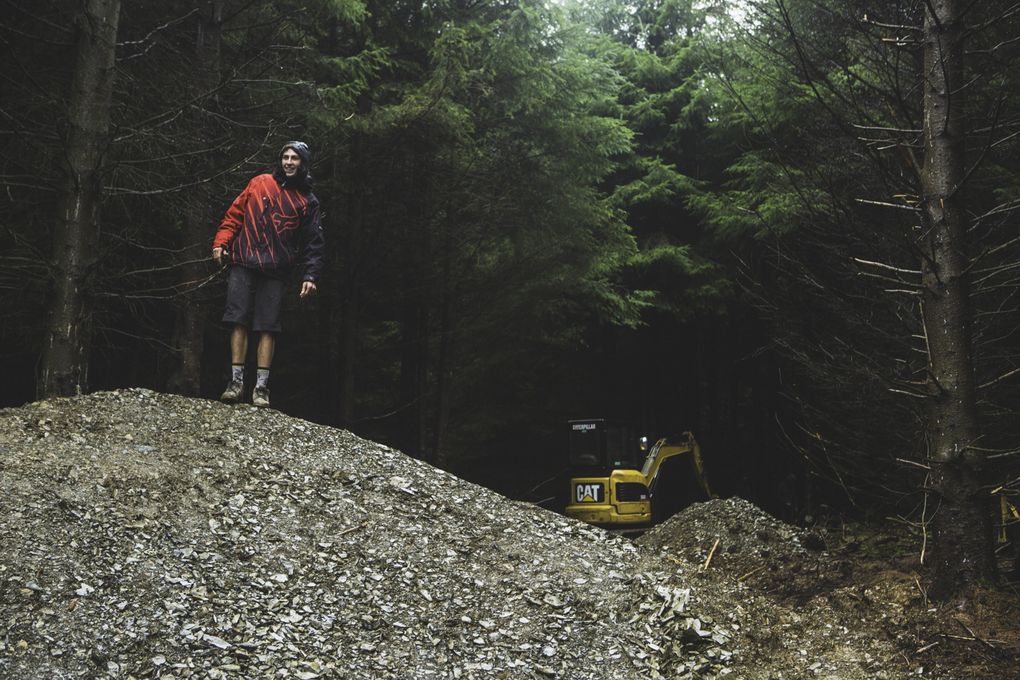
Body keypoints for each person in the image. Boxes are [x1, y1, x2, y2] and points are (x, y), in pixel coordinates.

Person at [211, 141, 324, 408]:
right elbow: (234, 214)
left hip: (276, 268)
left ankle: (261, 388)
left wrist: (310, 275)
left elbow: (314, 242)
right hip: (243, 260)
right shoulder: (260, 182)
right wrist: (221, 242)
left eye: (294, 158)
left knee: (267, 326)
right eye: (284, 156)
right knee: (237, 319)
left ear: (303, 163)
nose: (288, 162)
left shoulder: (308, 201)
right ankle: (236, 383)